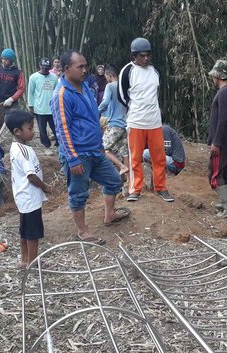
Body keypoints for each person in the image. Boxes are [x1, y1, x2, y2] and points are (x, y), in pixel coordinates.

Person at [51, 49, 130, 244]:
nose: (85, 70)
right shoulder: (61, 95)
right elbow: (62, 130)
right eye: (81, 66)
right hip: (78, 154)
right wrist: (72, 158)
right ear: (67, 69)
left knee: (113, 180)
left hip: (95, 150)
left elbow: (93, 118)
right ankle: (82, 231)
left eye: (85, 66)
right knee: (79, 194)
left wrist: (100, 145)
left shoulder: (86, 88)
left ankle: (109, 214)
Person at [117, 37, 174, 202]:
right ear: (134, 56)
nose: (146, 58)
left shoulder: (154, 71)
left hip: (155, 122)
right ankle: (135, 189)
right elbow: (122, 96)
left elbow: (155, 94)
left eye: (148, 55)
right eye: (142, 55)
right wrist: (135, 108)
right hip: (136, 122)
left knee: (159, 157)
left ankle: (161, 188)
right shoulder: (127, 71)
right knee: (135, 157)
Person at [5, 110, 51, 267]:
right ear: (17, 131)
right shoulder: (24, 151)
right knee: (32, 233)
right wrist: (45, 187)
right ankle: (32, 261)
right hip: (30, 197)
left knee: (24, 231)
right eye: (30, 128)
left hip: (23, 197)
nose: (33, 132)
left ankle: (24, 259)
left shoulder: (15, 148)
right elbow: (31, 176)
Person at [207, 60, 227, 218]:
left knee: (214, 173)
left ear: (218, 76)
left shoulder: (224, 93)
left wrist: (216, 142)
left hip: (223, 141)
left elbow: (223, 119)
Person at [98, 64, 128, 176]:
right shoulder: (123, 86)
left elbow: (105, 102)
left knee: (103, 148)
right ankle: (130, 182)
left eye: (106, 76)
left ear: (109, 75)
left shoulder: (110, 86)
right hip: (125, 124)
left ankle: (122, 166)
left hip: (114, 124)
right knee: (124, 152)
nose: (106, 78)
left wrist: (96, 111)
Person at [0, 48, 25, 139]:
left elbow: (21, 88)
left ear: (11, 60)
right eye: (2, 58)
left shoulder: (18, 72)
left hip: (12, 103)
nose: (3, 61)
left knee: (17, 123)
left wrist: (12, 99)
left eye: (6, 59)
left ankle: (19, 142)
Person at [27, 58, 58, 153]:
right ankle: (47, 147)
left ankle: (59, 146)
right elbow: (30, 93)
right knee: (42, 129)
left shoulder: (54, 77)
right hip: (39, 108)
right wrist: (31, 106)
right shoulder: (33, 77)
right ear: (40, 66)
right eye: (43, 68)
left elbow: (57, 92)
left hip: (53, 108)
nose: (45, 70)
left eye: (47, 68)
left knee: (56, 128)